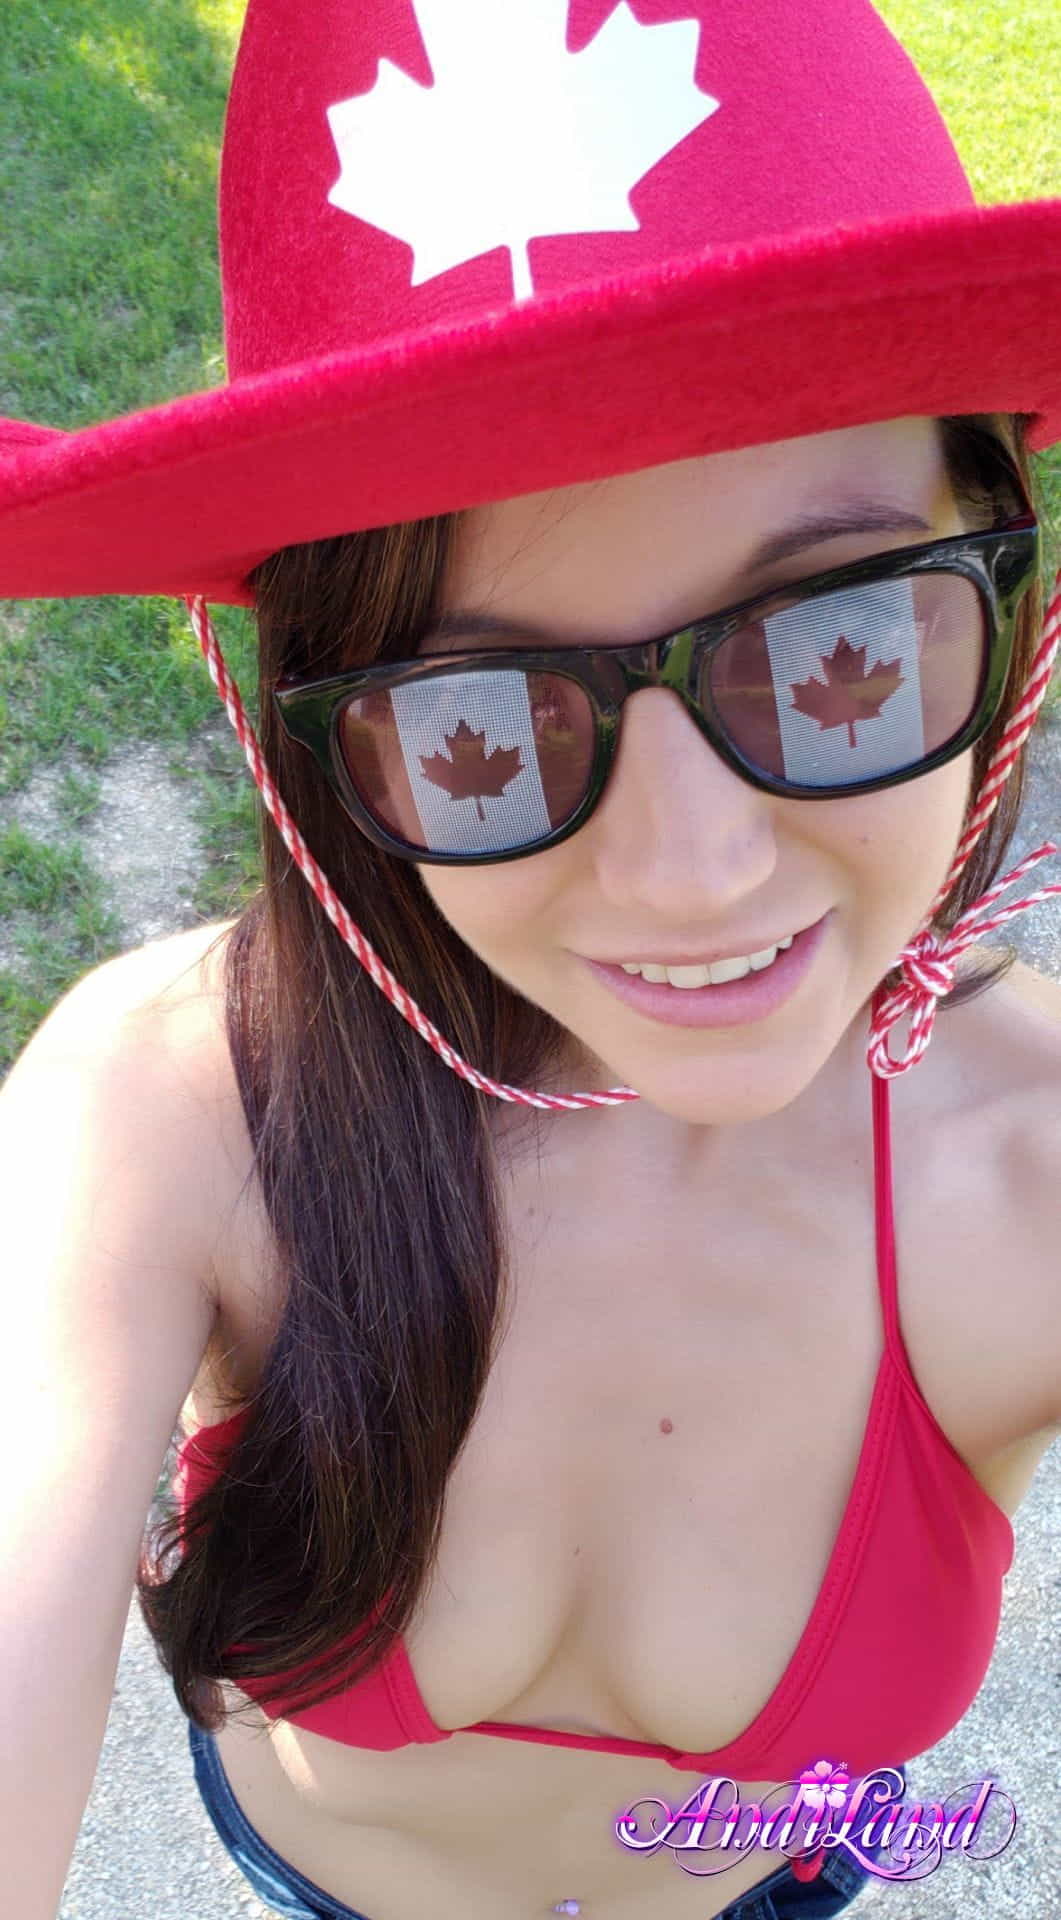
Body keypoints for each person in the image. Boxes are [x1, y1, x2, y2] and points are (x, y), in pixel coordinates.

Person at [1, 3, 1059, 1918]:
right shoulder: (173, 1109)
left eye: (834, 652)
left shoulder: (1034, 1174)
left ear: (1005, 568)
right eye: (474, 721)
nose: (689, 872)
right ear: (318, 729)